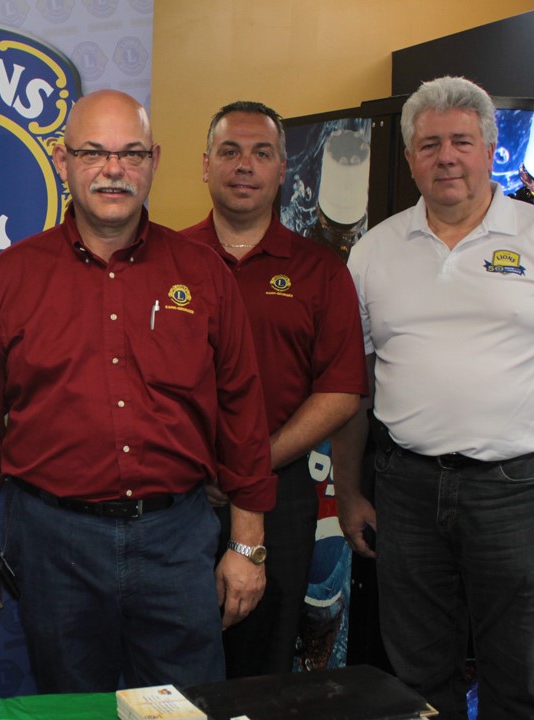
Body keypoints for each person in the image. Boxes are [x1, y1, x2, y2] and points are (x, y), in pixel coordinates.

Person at [0, 89, 276, 693]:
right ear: (62, 159)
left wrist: (248, 546)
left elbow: (243, 414)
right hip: (54, 544)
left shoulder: (201, 274)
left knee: (188, 707)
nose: (114, 170)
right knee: (74, 708)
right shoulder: (11, 278)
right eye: (94, 153)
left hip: (177, 538)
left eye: (131, 154)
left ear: (154, 161)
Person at [334, 76, 534, 720]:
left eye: (462, 141)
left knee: (515, 673)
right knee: (418, 675)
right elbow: (351, 381)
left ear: (491, 149)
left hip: (515, 489)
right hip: (405, 487)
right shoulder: (374, 252)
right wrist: (349, 492)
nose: (446, 157)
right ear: (408, 159)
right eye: (429, 145)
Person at [178, 101, 367, 677]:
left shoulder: (321, 269)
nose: (245, 166)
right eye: (230, 152)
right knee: (174, 657)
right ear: (204, 165)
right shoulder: (165, 259)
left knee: (261, 661)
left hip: (280, 489)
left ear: (284, 169)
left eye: (262, 153)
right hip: (177, 495)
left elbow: (341, 391)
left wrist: (247, 466)